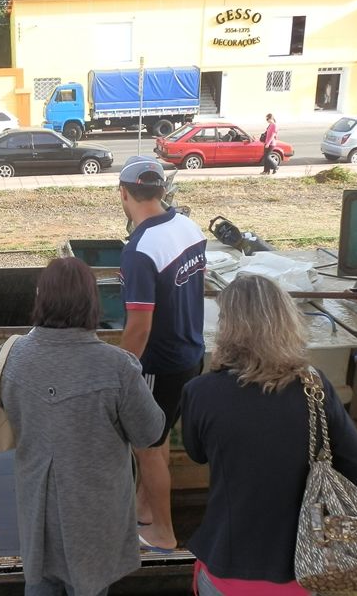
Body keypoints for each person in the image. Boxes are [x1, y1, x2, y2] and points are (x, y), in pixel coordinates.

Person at [182, 275, 357, 595]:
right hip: (305, 569)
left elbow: (197, 453)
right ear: (287, 322)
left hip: (226, 566)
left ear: (227, 328)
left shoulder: (200, 391)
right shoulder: (315, 388)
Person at [0, 257, 165, 596]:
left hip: (37, 507)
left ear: (40, 298)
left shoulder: (12, 354)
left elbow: (9, 409)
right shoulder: (118, 366)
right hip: (95, 515)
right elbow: (150, 432)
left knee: (40, 582)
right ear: (92, 302)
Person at [117, 155, 206, 553]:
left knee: (149, 448)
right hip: (191, 353)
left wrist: (120, 373)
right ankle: (143, 509)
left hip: (159, 363)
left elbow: (139, 327)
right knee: (159, 436)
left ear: (124, 194)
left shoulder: (140, 250)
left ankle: (163, 532)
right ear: (161, 190)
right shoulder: (187, 226)